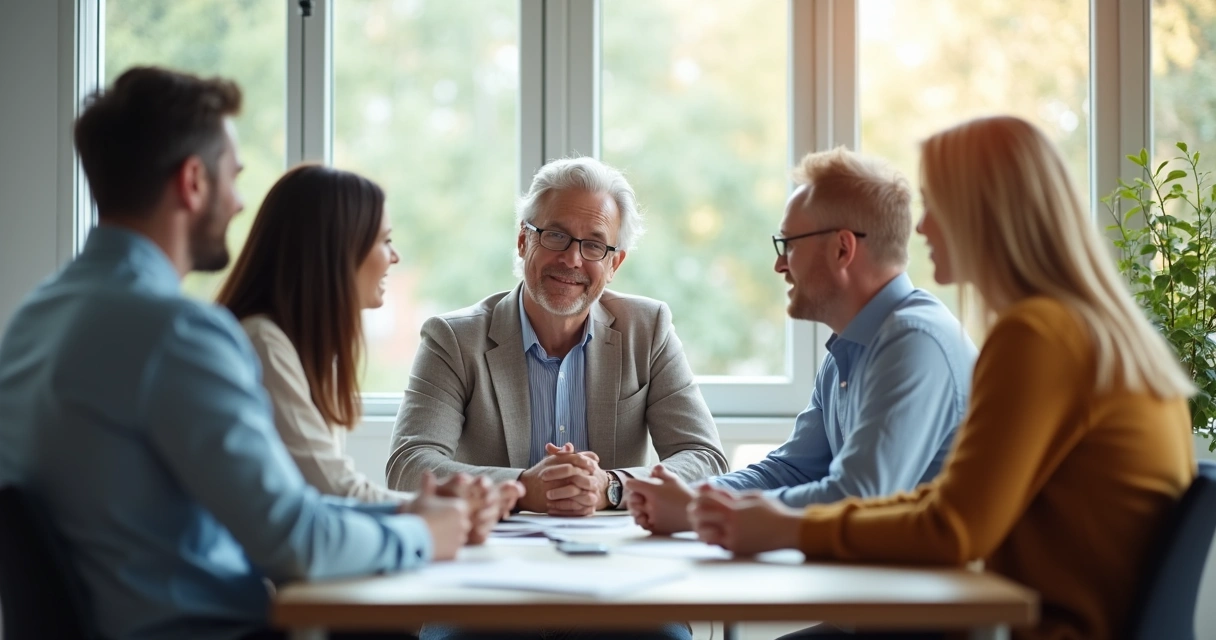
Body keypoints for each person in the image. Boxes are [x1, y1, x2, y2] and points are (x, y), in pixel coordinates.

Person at [0, 66, 471, 640]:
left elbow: (285, 511)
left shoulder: (33, 320)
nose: (240, 201)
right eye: (234, 177)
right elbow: (294, 541)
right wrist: (424, 535)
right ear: (192, 182)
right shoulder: (177, 334)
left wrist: (406, 515)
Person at [688, 116, 1197, 640]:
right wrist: (766, 517)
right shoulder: (1077, 329)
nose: (923, 227)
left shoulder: (1038, 335)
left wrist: (785, 526)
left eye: (935, 203)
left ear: (984, 212)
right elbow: (948, 504)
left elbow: (951, 529)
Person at [626, 147, 976, 535]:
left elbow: (858, 495)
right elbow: (791, 469)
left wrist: (698, 508)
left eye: (789, 244)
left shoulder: (914, 342)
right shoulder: (851, 346)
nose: (779, 264)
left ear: (843, 248)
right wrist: (689, 493)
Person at [386, 157, 728, 517]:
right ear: (523, 240)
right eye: (556, 236)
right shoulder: (454, 339)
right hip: (495, 553)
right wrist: (521, 488)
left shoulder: (648, 328)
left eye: (594, 245)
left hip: (616, 556)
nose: (572, 259)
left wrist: (610, 487)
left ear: (614, 264)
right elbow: (409, 466)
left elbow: (707, 460)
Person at [215, 164, 522, 541]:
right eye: (384, 241)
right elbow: (331, 489)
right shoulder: (264, 344)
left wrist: (442, 505)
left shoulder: (303, 351)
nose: (394, 257)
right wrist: (438, 511)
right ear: (338, 250)